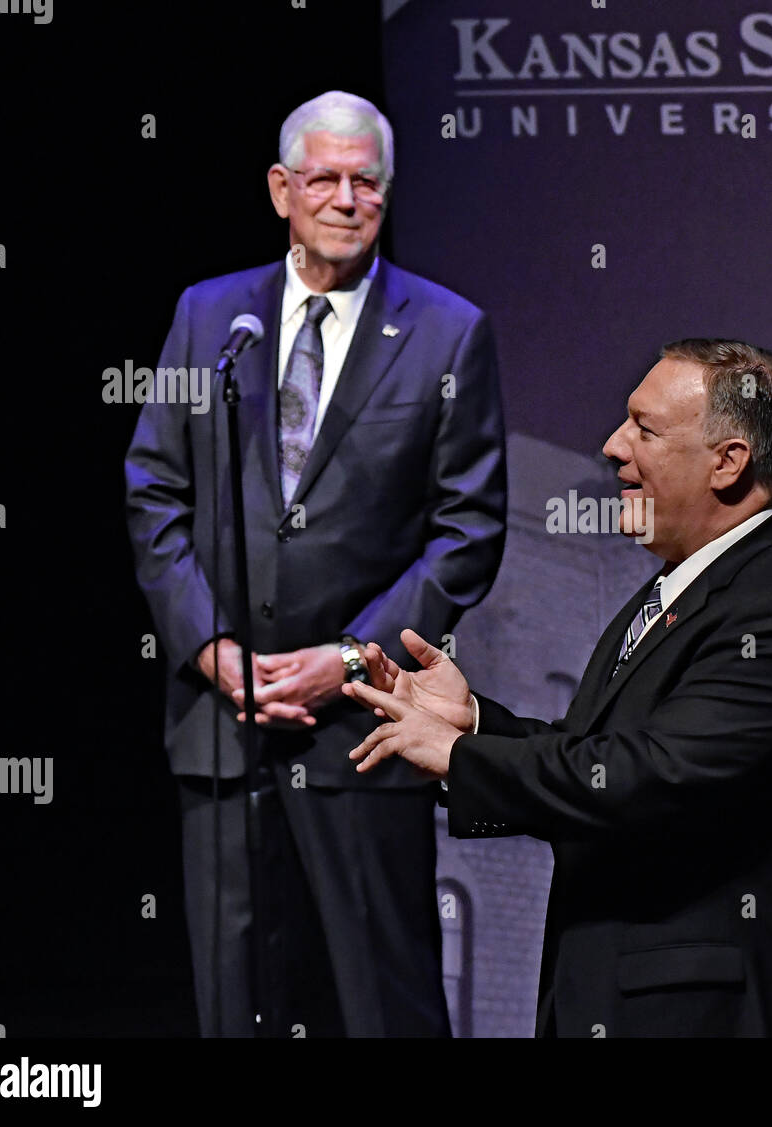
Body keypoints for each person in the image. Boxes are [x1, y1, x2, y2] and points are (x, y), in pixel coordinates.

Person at [344, 339, 772, 1037]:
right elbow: (607, 754)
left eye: (645, 428)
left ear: (728, 461)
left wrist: (459, 757)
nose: (611, 445)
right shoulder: (683, 587)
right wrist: (476, 725)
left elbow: (652, 779)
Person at [125, 90, 507, 1036]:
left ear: (387, 192)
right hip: (223, 723)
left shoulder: (448, 332)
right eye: (324, 178)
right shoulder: (209, 316)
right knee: (234, 1004)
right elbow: (153, 493)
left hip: (366, 730)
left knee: (388, 1004)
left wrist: (344, 659)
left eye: (365, 181)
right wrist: (213, 649)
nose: (345, 198)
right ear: (281, 189)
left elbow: (469, 530)